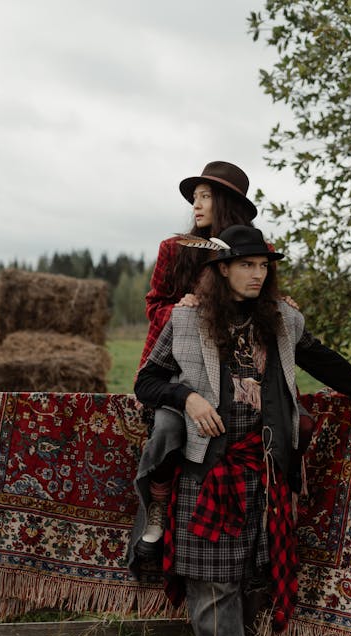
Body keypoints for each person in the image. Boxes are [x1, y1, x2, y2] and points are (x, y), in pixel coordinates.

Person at [131, 225, 351, 636]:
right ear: (222, 270)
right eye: (246, 265)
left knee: (248, 582)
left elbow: (322, 360)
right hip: (205, 470)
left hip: (265, 472)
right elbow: (147, 381)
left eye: (263, 266)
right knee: (212, 588)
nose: (257, 274)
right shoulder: (186, 319)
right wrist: (186, 399)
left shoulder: (281, 321)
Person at [135, 161, 295, 559]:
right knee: (171, 426)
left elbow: (261, 296)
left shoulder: (253, 248)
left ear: (225, 202)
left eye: (205, 197)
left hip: (237, 365)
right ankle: (157, 503)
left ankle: (277, 512)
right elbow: (154, 303)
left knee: (286, 421)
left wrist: (281, 305)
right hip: (178, 366)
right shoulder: (175, 249)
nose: (196, 206)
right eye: (194, 199)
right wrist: (181, 310)